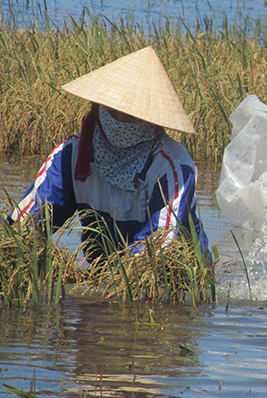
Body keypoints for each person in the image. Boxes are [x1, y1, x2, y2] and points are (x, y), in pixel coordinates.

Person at [8, 46, 208, 261]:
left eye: (132, 117)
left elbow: (158, 248)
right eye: (112, 112)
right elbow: (26, 224)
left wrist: (120, 283)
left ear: (151, 121)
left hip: (173, 279)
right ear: (98, 108)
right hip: (102, 272)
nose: (119, 123)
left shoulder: (172, 167)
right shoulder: (71, 156)